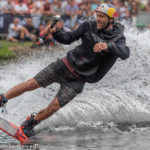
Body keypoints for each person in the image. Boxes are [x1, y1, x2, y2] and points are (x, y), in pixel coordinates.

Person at [0, 3, 130, 139]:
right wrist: (56, 32)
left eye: (102, 17)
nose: (98, 19)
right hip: (64, 64)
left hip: (78, 80)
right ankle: (3, 98)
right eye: (97, 15)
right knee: (32, 83)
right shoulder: (89, 25)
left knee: (54, 106)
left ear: (111, 19)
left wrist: (108, 46)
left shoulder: (118, 38)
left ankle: (30, 123)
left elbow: (125, 53)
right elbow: (68, 38)